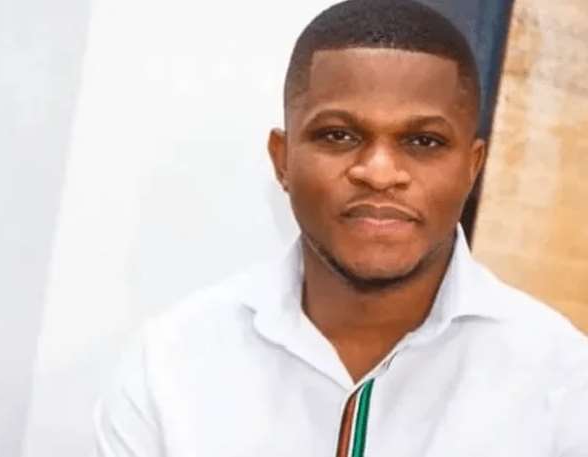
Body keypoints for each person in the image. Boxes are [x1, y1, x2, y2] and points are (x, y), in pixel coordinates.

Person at [93, 1, 588, 456]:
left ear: (472, 168)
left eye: (423, 141)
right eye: (338, 135)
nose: (379, 172)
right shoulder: (171, 367)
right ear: (282, 160)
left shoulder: (563, 383)